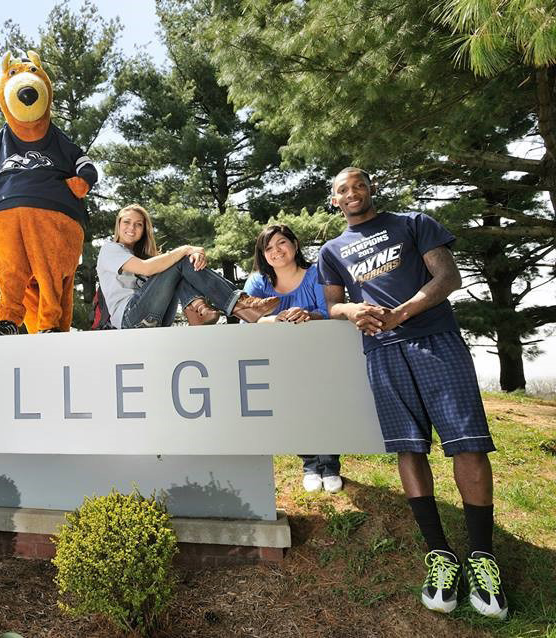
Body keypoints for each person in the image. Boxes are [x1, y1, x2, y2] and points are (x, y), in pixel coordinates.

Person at [318, 167, 506, 619]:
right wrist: (352, 310)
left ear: (370, 189)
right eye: (343, 189)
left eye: (359, 184)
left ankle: (482, 557)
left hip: (436, 341)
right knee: (409, 449)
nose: (352, 192)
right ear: (335, 200)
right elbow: (331, 303)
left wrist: (401, 313)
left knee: (469, 445)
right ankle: (439, 555)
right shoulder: (331, 251)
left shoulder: (414, 223)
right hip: (381, 353)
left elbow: (447, 279)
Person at [245, 224, 342, 494]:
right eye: (268, 248)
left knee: (322, 404)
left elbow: (330, 311)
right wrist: (275, 319)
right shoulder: (257, 283)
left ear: (295, 245)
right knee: (296, 408)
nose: (276, 251)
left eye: (281, 243)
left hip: (319, 352)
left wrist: (309, 315)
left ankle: (331, 464)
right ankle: (310, 464)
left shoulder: (315, 275)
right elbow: (248, 319)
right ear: (263, 254)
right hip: (280, 358)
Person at [96, 204, 278, 330]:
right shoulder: (110, 249)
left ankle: (200, 310)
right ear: (118, 225)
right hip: (130, 318)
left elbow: (164, 269)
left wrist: (193, 256)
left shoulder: (149, 258)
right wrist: (187, 250)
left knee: (178, 265)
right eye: (126, 222)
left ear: (144, 230)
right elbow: (145, 268)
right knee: (178, 260)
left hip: (158, 319)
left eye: (138, 224)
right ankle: (238, 304)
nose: (132, 228)